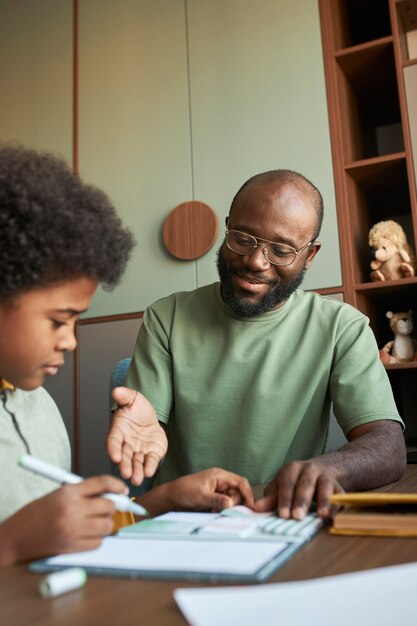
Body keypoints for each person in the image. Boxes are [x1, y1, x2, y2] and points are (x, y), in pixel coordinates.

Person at [0, 144, 253, 566]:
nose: (70, 341)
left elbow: (65, 535)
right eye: (59, 320)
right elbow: (25, 539)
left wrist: (163, 501)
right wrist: (10, 544)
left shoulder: (38, 406)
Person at [108, 169, 407, 520]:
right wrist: (147, 436)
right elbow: (147, 433)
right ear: (227, 227)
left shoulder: (342, 327)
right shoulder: (166, 317)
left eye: (281, 250)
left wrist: (331, 468)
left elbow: (387, 444)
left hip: (279, 517)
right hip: (183, 519)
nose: (255, 261)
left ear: (309, 255)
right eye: (243, 238)